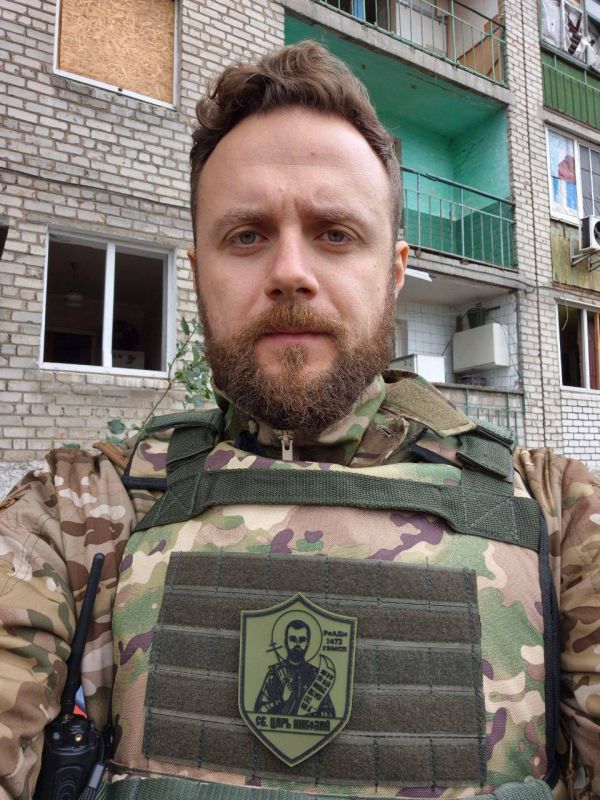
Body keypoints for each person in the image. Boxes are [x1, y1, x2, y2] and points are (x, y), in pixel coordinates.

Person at [0, 41, 598, 800]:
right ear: (198, 273)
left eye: (335, 233)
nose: (290, 272)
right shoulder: (76, 519)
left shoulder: (557, 520)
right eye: (246, 235)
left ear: (395, 272)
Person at [254, 620, 336, 717]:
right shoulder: (274, 674)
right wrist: (281, 700)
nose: (297, 644)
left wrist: (308, 715)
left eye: (302, 640)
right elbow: (259, 711)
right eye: (292, 639)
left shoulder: (315, 675)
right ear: (286, 642)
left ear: (307, 643)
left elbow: (329, 714)